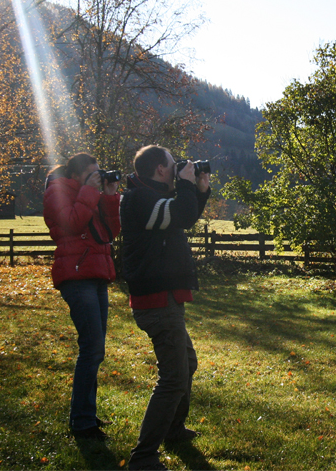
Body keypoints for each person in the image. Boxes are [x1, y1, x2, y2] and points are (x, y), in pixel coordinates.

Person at [120, 145, 210, 471]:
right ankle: (143, 457)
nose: (177, 169)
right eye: (174, 166)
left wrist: (197, 191)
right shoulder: (138, 199)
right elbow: (179, 215)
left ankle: (172, 428)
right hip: (156, 301)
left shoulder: (150, 197)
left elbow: (181, 217)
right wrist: (186, 186)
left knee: (187, 362)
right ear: (160, 169)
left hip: (166, 297)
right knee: (173, 378)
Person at [43, 152, 121, 440]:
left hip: (97, 274)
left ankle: (86, 414)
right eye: (92, 173)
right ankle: (82, 420)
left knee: (95, 349)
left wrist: (110, 196)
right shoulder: (58, 192)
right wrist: (90, 190)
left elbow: (111, 232)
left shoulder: (89, 194)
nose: (98, 177)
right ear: (76, 176)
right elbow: (72, 224)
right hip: (76, 277)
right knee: (92, 348)